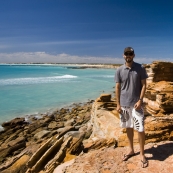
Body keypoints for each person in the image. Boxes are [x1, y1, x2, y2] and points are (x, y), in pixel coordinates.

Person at [115, 47, 148, 168]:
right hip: (124, 104)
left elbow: (144, 85)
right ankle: (131, 150)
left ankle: (142, 154)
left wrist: (140, 100)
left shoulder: (140, 68)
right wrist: (118, 104)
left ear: (134, 55)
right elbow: (118, 87)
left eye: (130, 54)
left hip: (136, 105)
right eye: (126, 54)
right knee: (128, 127)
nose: (128, 55)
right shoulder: (119, 70)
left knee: (140, 129)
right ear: (123, 55)